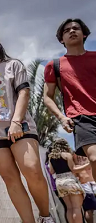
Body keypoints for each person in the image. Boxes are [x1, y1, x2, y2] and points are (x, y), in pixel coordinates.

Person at [0, 36, 63, 223]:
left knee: (32, 169)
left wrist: (16, 121)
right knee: (10, 178)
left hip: (19, 126)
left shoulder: (12, 65)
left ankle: (46, 217)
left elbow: (24, 92)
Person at [44, 19, 96, 182]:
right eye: (67, 30)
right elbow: (47, 97)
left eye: (76, 28)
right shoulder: (55, 65)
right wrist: (61, 117)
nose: (72, 31)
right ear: (61, 39)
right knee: (94, 158)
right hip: (81, 118)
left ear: (84, 34)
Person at [48, 139, 89, 223]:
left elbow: (51, 171)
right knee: (76, 207)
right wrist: (88, 164)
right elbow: (73, 169)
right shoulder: (67, 155)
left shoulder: (51, 157)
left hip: (59, 182)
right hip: (70, 180)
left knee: (69, 208)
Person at [74, 154, 96, 223]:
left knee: (88, 209)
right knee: (89, 209)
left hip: (85, 183)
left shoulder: (75, 156)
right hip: (88, 183)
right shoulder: (90, 153)